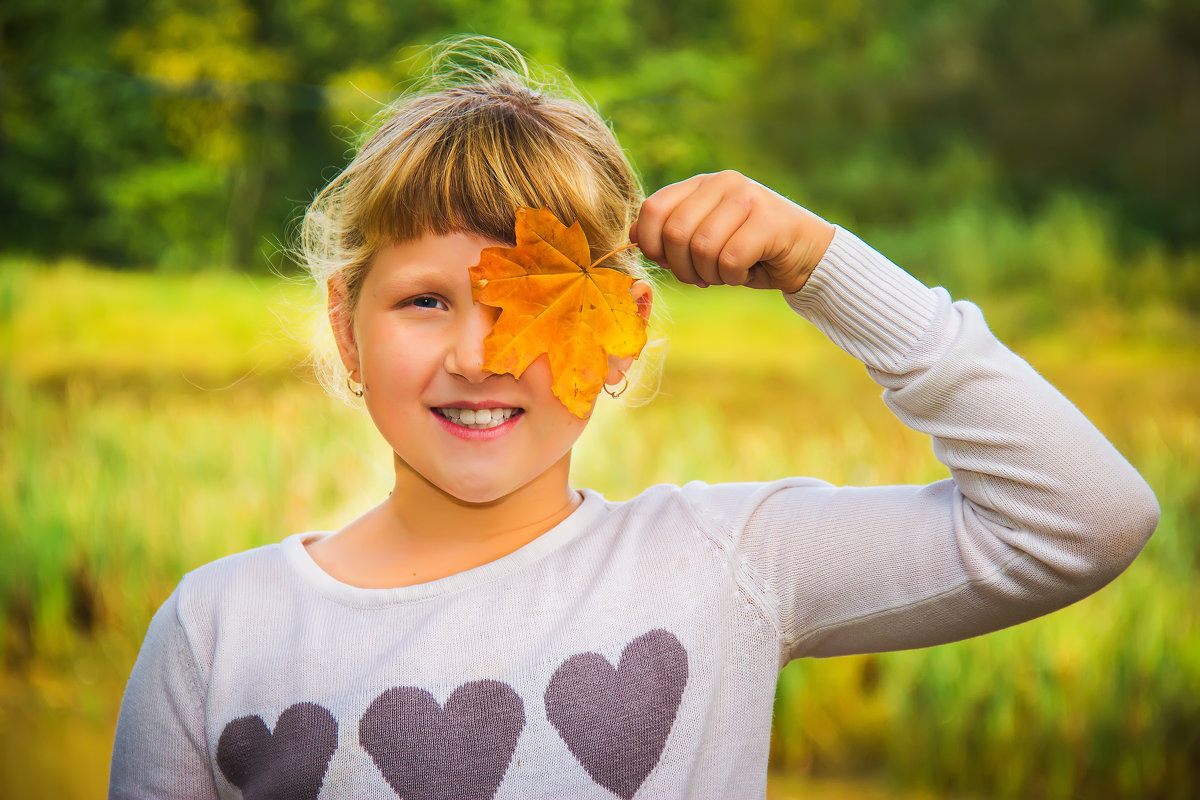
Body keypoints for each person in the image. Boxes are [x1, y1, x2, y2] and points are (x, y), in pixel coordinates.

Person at [109, 40, 1159, 800]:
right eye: (426, 300)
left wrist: (825, 266)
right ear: (346, 324)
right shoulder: (218, 627)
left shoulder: (722, 564)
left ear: (620, 332)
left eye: (532, 302)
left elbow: (1085, 517)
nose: (480, 353)